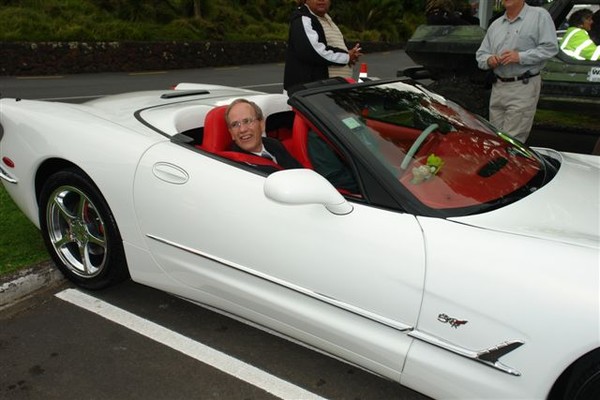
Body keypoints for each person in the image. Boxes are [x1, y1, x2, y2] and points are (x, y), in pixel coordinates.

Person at [475, 0, 558, 143]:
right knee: (494, 138)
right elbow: (481, 55)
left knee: (512, 141)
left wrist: (520, 57)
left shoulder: (539, 16)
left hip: (523, 85)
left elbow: (550, 48)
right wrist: (489, 60)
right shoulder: (496, 25)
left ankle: (510, 163)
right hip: (498, 86)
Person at [284, 0, 362, 94]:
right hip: (310, 95)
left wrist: (349, 54)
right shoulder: (303, 19)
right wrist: (346, 57)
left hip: (329, 92)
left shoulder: (325, 19)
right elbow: (312, 51)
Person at [225, 99, 302, 173]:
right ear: (231, 133)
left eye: (247, 121)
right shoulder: (236, 166)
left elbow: (298, 171)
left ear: (262, 125)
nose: (242, 129)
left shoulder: (273, 144)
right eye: (234, 125)